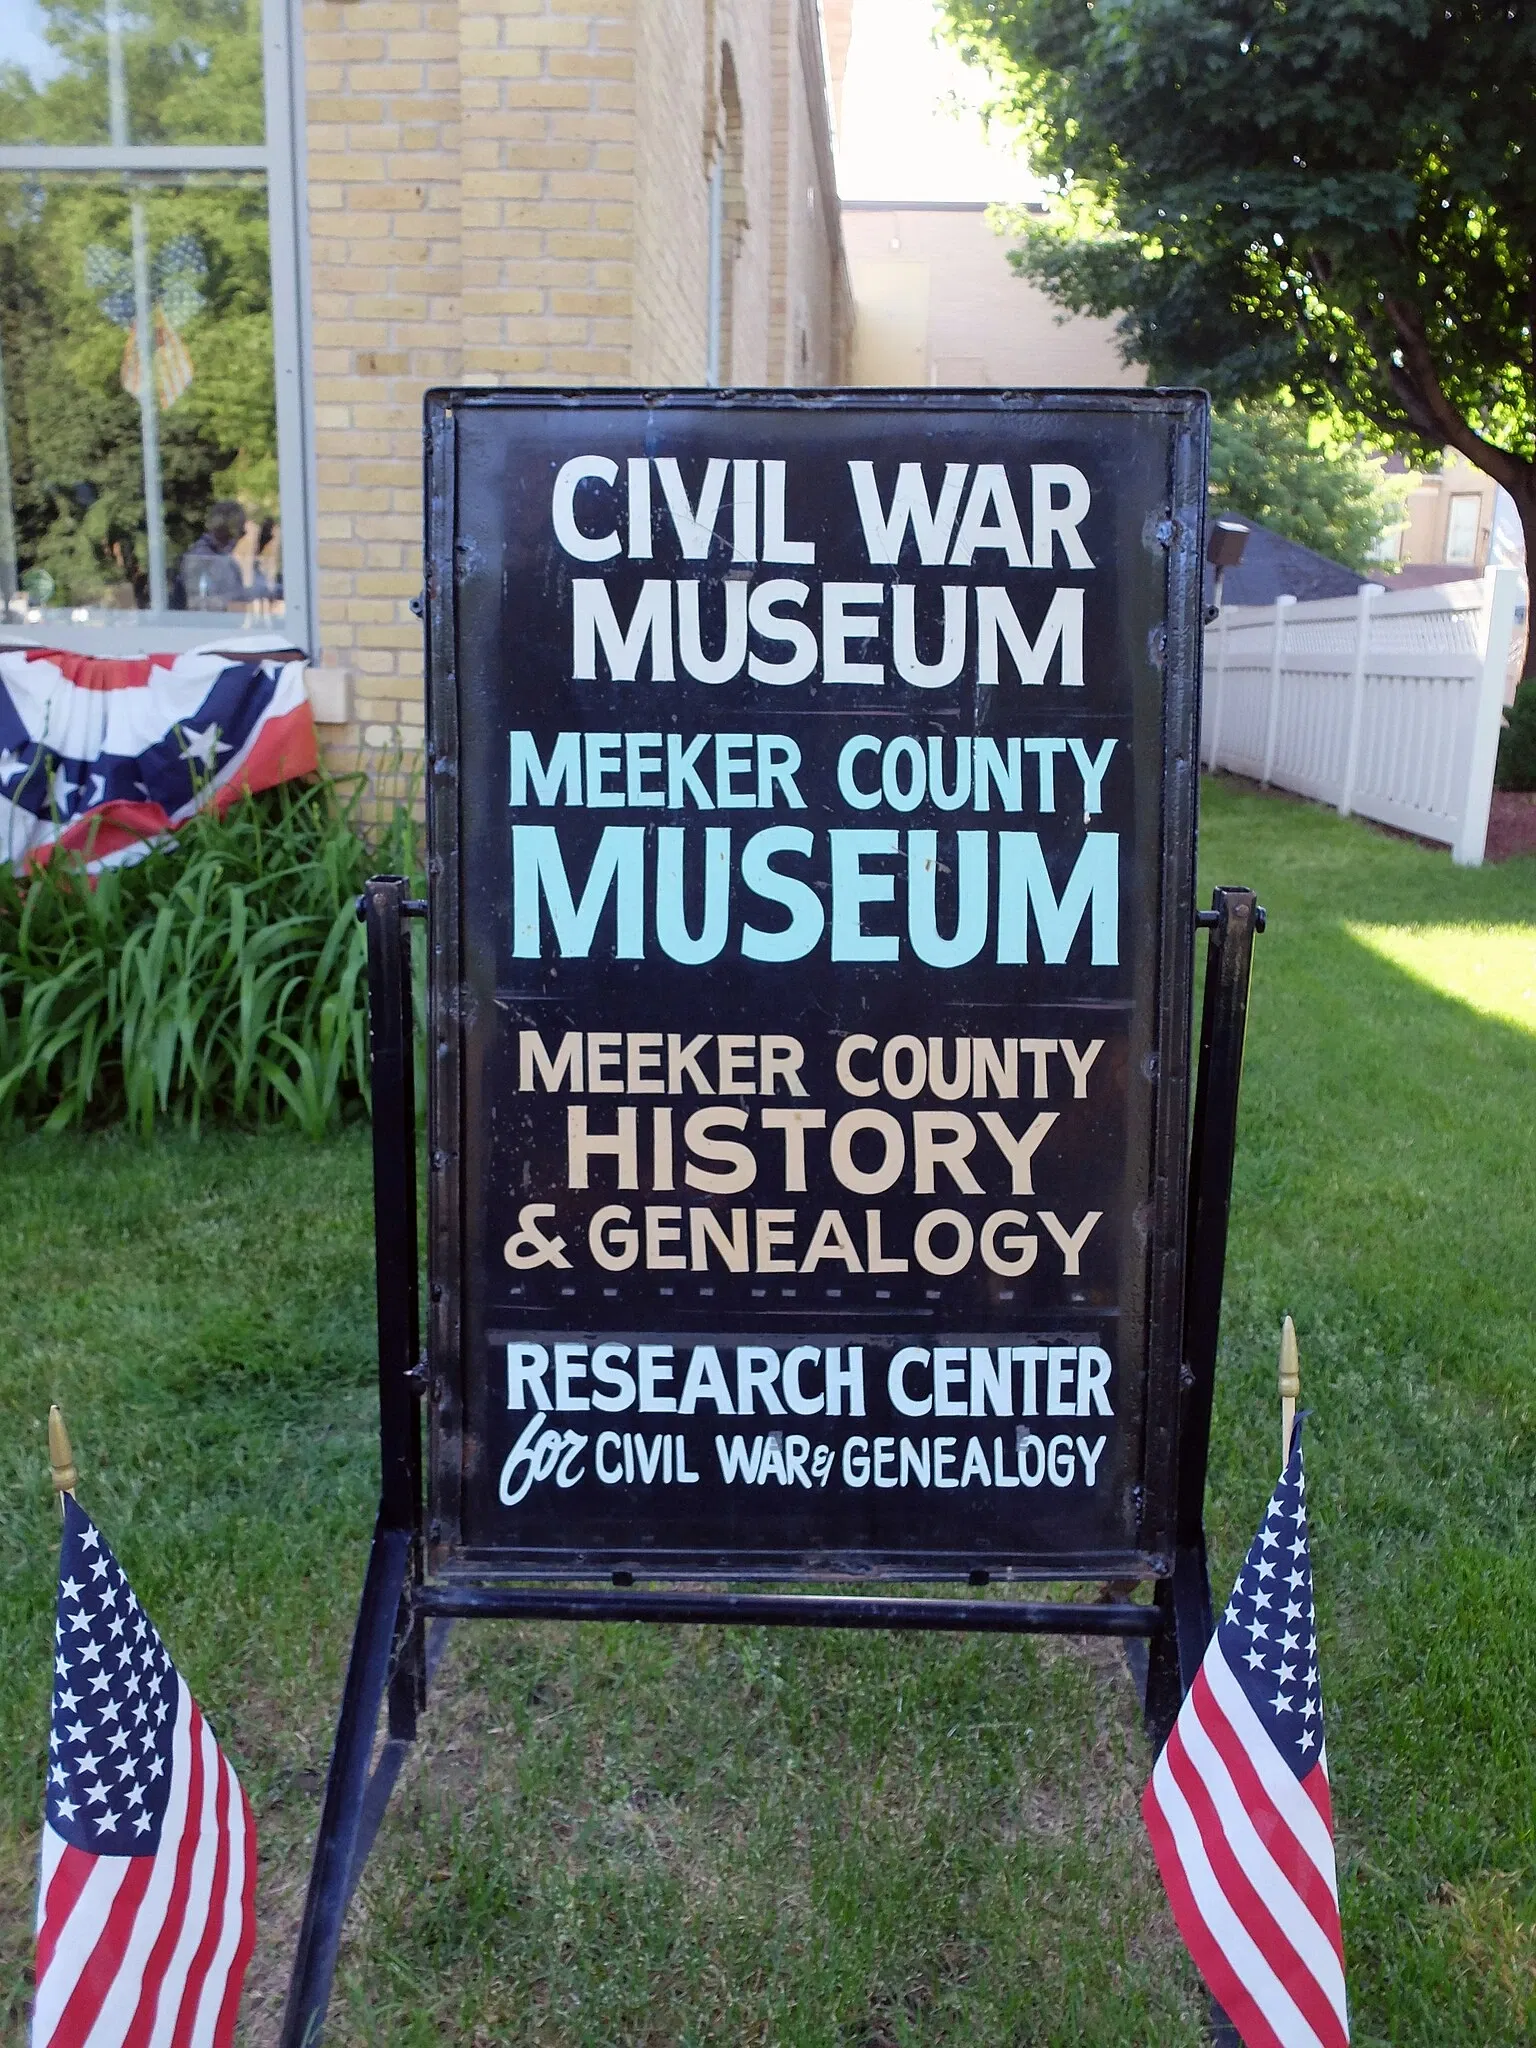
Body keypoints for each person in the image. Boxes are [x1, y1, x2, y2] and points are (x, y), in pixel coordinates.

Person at [172, 500, 250, 611]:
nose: (241, 538)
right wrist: (234, 599)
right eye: (240, 532)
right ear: (223, 531)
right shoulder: (199, 558)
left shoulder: (228, 561)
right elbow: (195, 603)